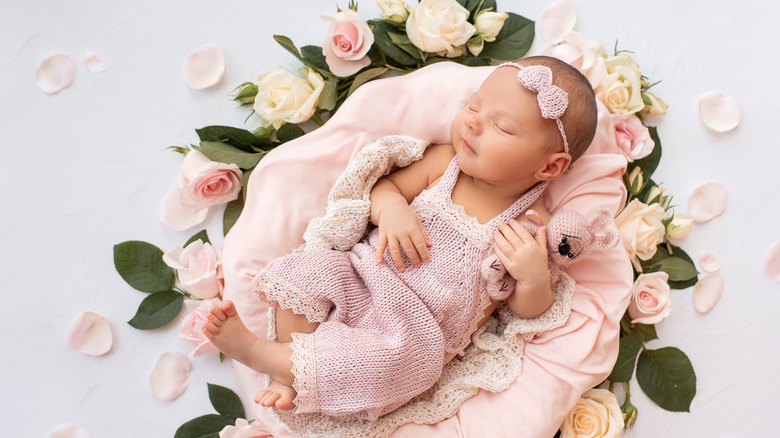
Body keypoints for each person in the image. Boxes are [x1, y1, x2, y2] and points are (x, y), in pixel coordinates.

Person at [202, 55, 599, 421]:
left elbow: (528, 312)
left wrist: (531, 279)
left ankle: (262, 354)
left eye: (503, 126)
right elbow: (385, 188)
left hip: (413, 334)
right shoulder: (446, 165)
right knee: (308, 271)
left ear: (551, 166)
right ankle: (290, 370)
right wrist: (392, 210)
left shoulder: (534, 225)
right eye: (474, 106)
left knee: (383, 364)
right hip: (363, 275)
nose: (473, 123)